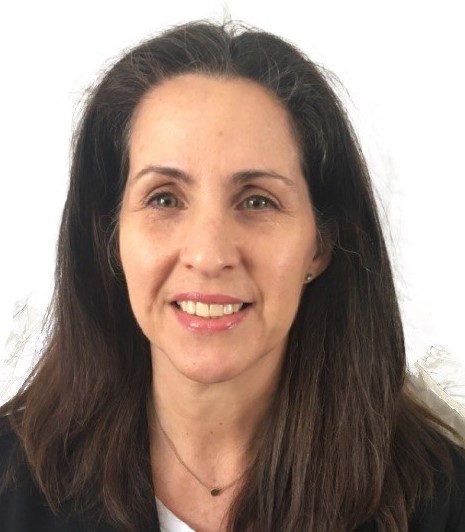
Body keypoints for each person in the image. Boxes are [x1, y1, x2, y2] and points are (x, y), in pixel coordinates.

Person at [0, 17, 464, 532]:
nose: (208, 253)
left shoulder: (441, 504)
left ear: (321, 243)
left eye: (257, 200)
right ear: (109, 235)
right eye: (164, 198)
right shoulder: (9, 483)